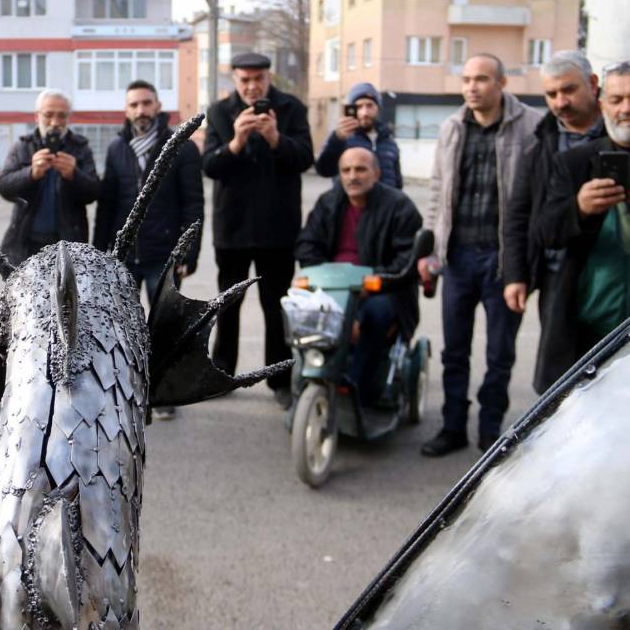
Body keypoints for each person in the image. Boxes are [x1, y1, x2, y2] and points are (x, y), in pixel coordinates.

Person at [418, 54, 542, 457]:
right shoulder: (452, 126)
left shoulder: (532, 126)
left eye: (482, 79)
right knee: (455, 349)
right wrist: (433, 252)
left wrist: (524, 264)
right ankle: (453, 426)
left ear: (502, 82)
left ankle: (491, 432)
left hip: (504, 261)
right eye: (467, 78)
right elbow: (438, 192)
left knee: (499, 353)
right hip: (457, 258)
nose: (472, 86)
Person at [202, 51, 314, 408]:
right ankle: (222, 374)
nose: (252, 87)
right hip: (232, 229)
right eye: (245, 80)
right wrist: (235, 142)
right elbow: (210, 166)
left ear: (269, 78)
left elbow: (305, 159)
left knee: (275, 306)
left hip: (278, 229)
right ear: (234, 80)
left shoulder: (292, 108)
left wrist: (276, 138)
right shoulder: (219, 112)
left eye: (258, 80)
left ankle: (279, 380)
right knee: (228, 306)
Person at [93, 79, 204, 420]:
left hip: (164, 254)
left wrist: (188, 253)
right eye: (134, 105)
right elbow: (108, 204)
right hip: (125, 256)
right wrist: (99, 252)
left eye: (146, 103)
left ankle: (162, 394)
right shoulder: (116, 148)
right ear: (126, 111)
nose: (140, 110)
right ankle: (126, 390)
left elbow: (193, 204)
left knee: (163, 328)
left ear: (158, 106)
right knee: (122, 327)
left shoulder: (182, 146)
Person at [503, 51, 604, 394]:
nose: (560, 102)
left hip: (610, 273)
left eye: (569, 90)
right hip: (557, 275)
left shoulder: (619, 131)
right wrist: (515, 273)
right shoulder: (541, 142)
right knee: (563, 377)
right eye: (551, 94)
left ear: (593, 85)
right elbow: (519, 213)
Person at [296, 147, 422, 402]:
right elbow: (308, 245)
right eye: (346, 170)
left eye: (360, 169)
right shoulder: (327, 203)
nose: (353, 176)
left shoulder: (400, 207)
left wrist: (371, 282)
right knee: (296, 312)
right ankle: (307, 376)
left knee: (374, 315)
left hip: (381, 289)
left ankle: (356, 384)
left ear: (376, 174)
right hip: (332, 287)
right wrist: (319, 276)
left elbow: (405, 261)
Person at [537, 61, 630, 381]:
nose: (625, 109)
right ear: (602, 103)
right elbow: (546, 232)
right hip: (591, 333)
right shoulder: (574, 163)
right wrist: (579, 208)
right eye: (617, 100)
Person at [0, 89, 100, 266]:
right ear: (37, 117)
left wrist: (73, 175)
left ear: (69, 117)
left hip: (69, 244)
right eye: (49, 115)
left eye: (62, 116)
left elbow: (94, 192)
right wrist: (30, 174)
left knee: (67, 294)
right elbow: (3, 187)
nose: (55, 122)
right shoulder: (23, 146)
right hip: (26, 243)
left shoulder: (80, 147)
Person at [314, 82, 403, 189]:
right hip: (352, 204)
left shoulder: (388, 140)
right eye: (359, 107)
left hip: (387, 204)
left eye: (370, 106)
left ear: (377, 108)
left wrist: (398, 204)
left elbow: (397, 182)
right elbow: (323, 170)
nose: (365, 112)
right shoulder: (342, 138)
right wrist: (337, 139)